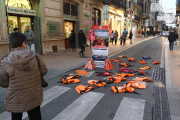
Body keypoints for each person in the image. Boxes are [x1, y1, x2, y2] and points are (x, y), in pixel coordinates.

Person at [0, 32, 47, 120]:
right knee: (35, 115)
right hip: (34, 94)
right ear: (23, 43)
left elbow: (3, 83)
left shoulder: (6, 61)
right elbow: (44, 71)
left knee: (16, 117)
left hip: (15, 97)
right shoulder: (35, 56)